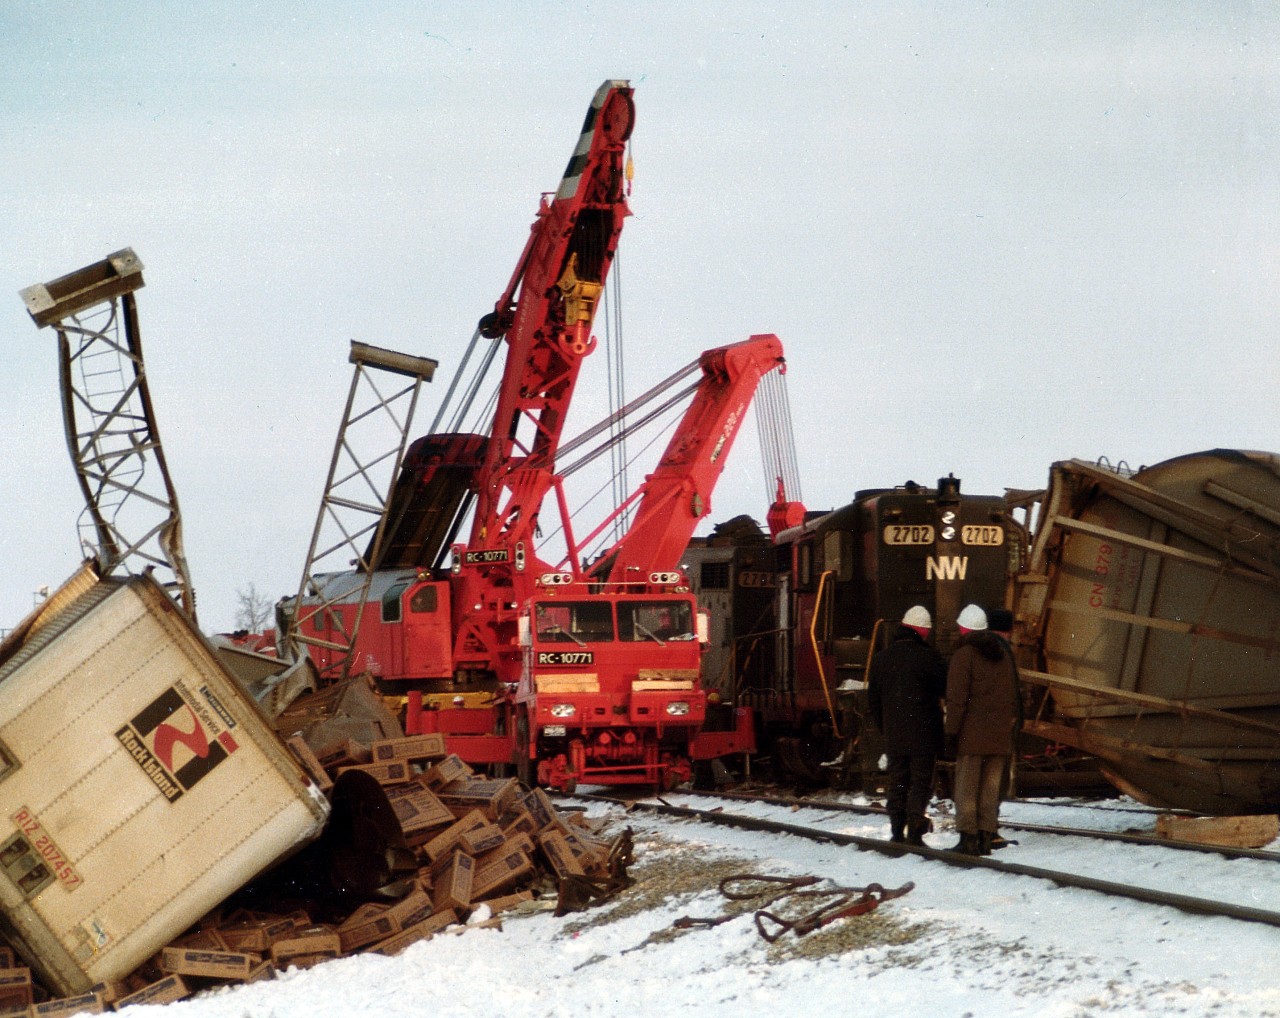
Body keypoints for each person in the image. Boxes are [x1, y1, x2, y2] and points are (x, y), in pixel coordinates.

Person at [945, 604, 1022, 856]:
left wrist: (951, 731)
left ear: (964, 628)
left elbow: (957, 700)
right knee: (990, 789)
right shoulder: (1003, 654)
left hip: (972, 736)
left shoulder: (964, 655)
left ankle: (968, 839)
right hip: (999, 735)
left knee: (967, 788)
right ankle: (986, 837)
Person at [867, 605, 947, 846]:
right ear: (922, 630)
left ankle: (896, 832)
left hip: (894, 735)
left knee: (898, 782)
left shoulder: (882, 658)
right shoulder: (929, 657)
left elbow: (873, 700)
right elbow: (944, 691)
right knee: (920, 783)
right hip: (924, 735)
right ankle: (914, 832)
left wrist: (886, 728)